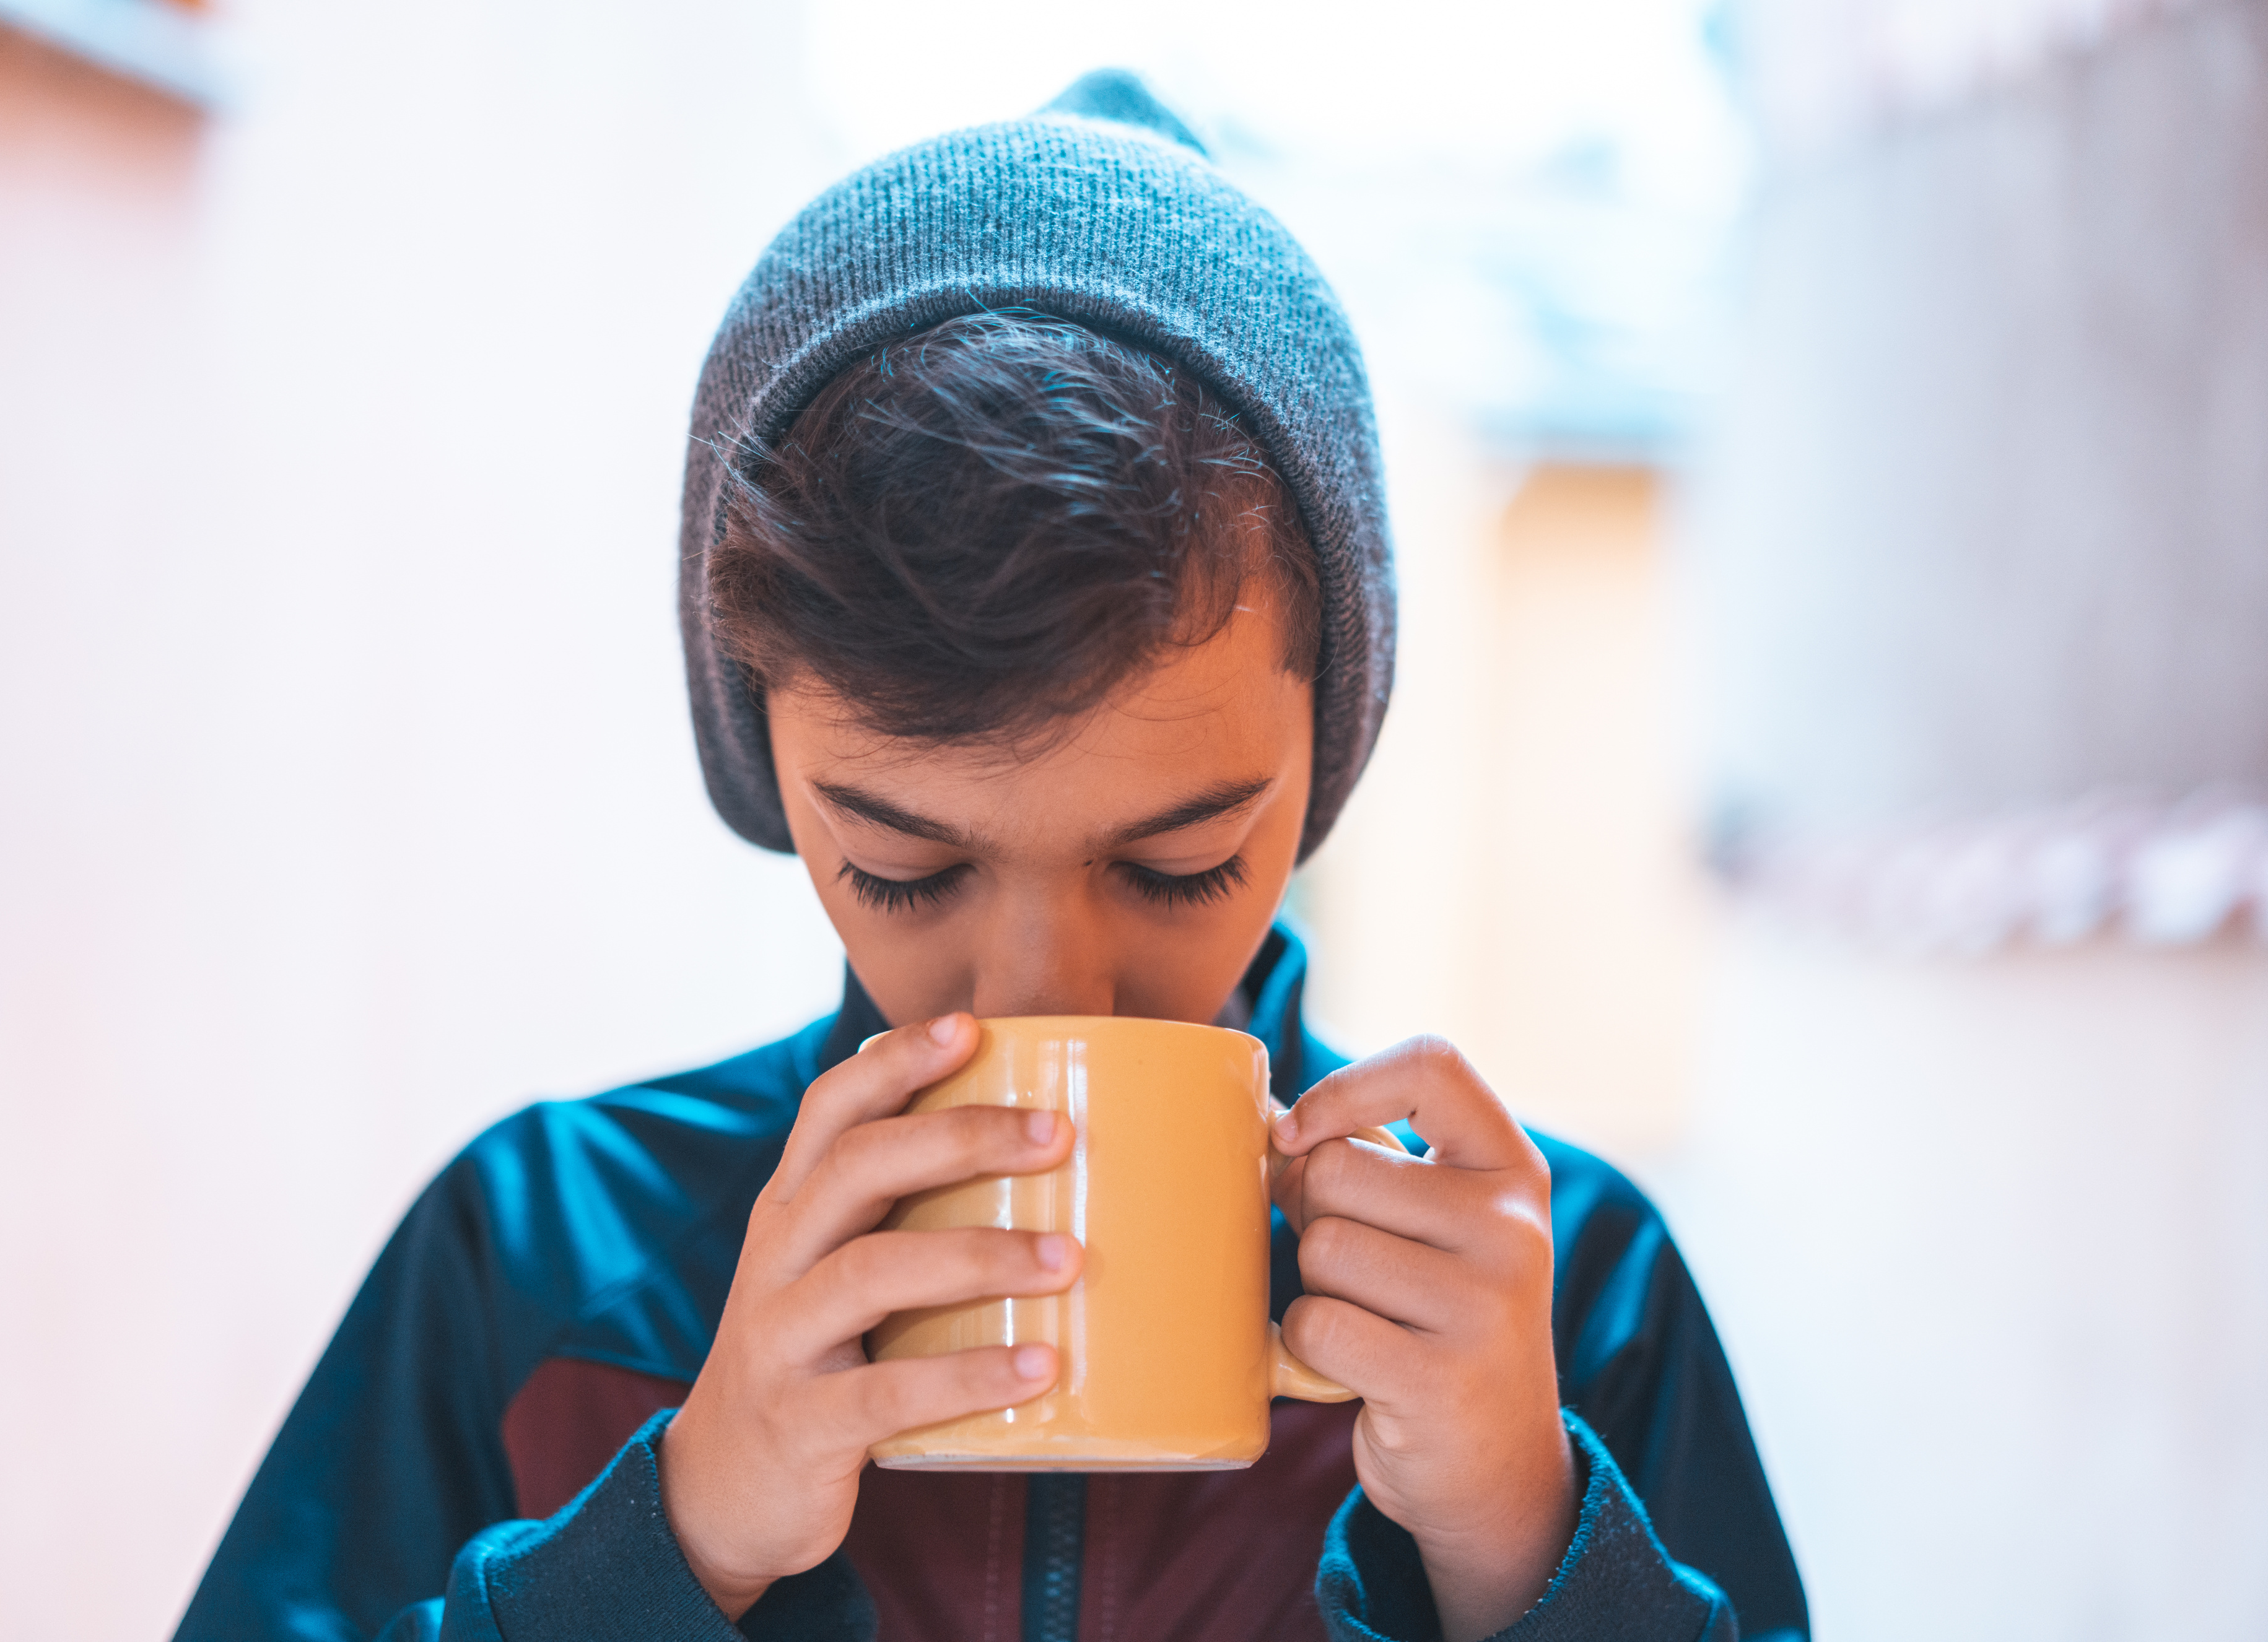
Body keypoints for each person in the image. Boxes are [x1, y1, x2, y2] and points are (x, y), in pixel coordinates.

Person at [173, 72, 1807, 1642]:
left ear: (1326, 766)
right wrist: (670, 1544)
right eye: (903, 868)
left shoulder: (1569, 1308)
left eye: (1180, 864)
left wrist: (1532, 1551)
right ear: (763, 762)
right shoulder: (536, 1263)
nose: (1044, 994)